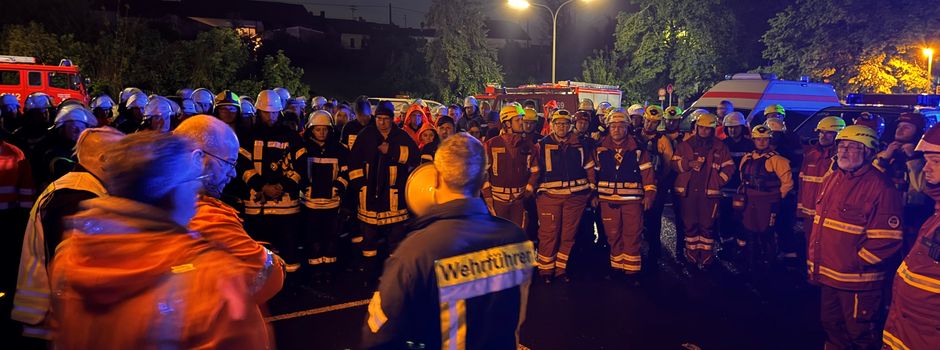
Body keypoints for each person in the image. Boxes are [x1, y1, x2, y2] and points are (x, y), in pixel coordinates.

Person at [50, 131, 272, 349]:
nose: (196, 190)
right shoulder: (213, 278)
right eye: (193, 180)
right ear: (171, 189)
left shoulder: (70, 254)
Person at [362, 133, 533, 350]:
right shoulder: (516, 238)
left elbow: (377, 337)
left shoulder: (416, 251)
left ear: (435, 178)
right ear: (482, 180)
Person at [12, 128, 122, 340]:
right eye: (125, 156)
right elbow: (79, 274)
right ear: (105, 159)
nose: (131, 166)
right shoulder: (76, 198)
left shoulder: (77, 189)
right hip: (53, 322)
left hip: (54, 319)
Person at [808, 125, 903, 350]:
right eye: (842, 146)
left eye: (852, 147)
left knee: (860, 334)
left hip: (856, 281)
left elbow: (887, 239)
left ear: (869, 152)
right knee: (831, 325)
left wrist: (855, 262)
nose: (844, 151)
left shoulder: (880, 187)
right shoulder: (833, 179)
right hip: (830, 275)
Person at [174, 115, 285, 301]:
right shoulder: (209, 218)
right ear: (198, 159)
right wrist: (272, 259)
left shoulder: (159, 200)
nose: (233, 173)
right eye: (228, 163)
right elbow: (270, 277)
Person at [882, 123, 940, 350]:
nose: (925, 168)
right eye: (926, 161)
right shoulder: (936, 215)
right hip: (909, 332)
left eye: (935, 162)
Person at [347, 101, 419, 278]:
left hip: (394, 197)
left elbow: (414, 157)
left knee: (395, 240)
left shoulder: (400, 136)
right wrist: (360, 186)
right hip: (369, 197)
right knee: (369, 239)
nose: (382, 123)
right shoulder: (366, 135)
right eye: (379, 119)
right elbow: (353, 162)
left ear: (392, 119)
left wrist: (392, 150)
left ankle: (394, 275)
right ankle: (369, 273)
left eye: (386, 119)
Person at [239, 90, 305, 273]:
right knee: (260, 254)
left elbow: (300, 168)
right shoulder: (248, 136)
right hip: (256, 206)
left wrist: (282, 186)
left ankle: (291, 287)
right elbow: (242, 167)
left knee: (289, 252)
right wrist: (262, 186)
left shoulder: (291, 136)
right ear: (259, 111)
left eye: (274, 112)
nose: (271, 116)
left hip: (287, 206)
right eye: (267, 112)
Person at [534, 109, 596, 283]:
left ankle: (561, 269)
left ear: (570, 126)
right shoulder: (542, 144)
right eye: (558, 123)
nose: (562, 127)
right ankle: (545, 270)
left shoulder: (580, 144)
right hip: (549, 197)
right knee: (548, 234)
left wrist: (591, 190)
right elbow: (534, 169)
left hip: (575, 198)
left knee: (568, 235)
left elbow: (589, 166)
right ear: (552, 125)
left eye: (565, 123)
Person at [595, 109, 656, 279]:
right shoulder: (600, 148)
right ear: (608, 127)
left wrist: (649, 195)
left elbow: (648, 174)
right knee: (612, 235)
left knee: (632, 234)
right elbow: (594, 173)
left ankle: (631, 271)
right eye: (613, 126)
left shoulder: (638, 149)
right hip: (607, 200)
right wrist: (592, 195)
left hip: (632, 201)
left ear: (627, 127)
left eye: (621, 126)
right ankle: (616, 267)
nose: (616, 130)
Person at [672, 113, 735, 269]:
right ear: (697, 127)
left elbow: (729, 167)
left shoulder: (720, 147)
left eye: (708, 129)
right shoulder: (685, 145)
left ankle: (706, 258)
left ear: (713, 130)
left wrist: (718, 181)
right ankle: (692, 257)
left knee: (707, 226)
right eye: (702, 128)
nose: (705, 131)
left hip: (709, 194)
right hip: (688, 192)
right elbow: (675, 163)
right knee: (690, 225)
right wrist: (688, 163)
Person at [297, 110, 349, 283]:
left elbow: (346, 172)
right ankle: (315, 271)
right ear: (311, 130)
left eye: (325, 129)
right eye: (318, 129)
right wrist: (305, 187)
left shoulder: (339, 149)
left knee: (330, 239)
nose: (322, 133)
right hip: (310, 203)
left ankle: (329, 270)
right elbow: (299, 172)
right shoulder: (304, 149)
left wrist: (338, 186)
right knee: (313, 239)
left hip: (332, 203)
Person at [737, 125, 792, 273]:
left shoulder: (778, 160)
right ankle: (750, 261)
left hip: (768, 202)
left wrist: (777, 199)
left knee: (767, 232)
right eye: (758, 139)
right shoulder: (747, 158)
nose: (761, 142)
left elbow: (787, 183)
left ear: (770, 140)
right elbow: (742, 178)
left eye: (765, 139)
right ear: (753, 140)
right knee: (749, 230)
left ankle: (769, 264)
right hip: (749, 200)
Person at [874, 112, 932, 248]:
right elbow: (870, 182)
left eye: (907, 127)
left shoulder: (924, 159)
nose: (900, 130)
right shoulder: (884, 154)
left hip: (912, 218)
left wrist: (912, 158)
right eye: (899, 126)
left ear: (918, 132)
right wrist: (884, 160)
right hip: (884, 213)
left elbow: (920, 188)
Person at [482, 104, 538, 228]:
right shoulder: (491, 144)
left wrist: (528, 191)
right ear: (507, 123)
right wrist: (487, 195)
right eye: (518, 120)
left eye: (521, 119)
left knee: (519, 236)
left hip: (519, 200)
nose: (521, 123)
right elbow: (483, 172)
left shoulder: (528, 145)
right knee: (498, 236)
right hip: (497, 199)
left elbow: (535, 170)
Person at [798, 116, 844, 220]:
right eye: (821, 132)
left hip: (829, 212)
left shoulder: (841, 157)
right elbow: (802, 182)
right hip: (808, 211)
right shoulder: (811, 154)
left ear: (838, 135)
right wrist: (800, 210)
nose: (823, 136)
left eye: (828, 132)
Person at [38, 105, 97, 185]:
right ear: (61, 129)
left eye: (82, 128)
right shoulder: (52, 153)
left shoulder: (84, 151)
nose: (78, 131)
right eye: (74, 127)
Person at [720, 112, 753, 253]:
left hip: (743, 189)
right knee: (725, 218)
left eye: (736, 127)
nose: (733, 130)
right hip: (725, 188)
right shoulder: (722, 145)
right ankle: (727, 246)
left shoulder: (750, 145)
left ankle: (742, 248)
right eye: (730, 127)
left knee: (743, 219)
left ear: (742, 127)